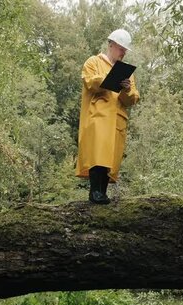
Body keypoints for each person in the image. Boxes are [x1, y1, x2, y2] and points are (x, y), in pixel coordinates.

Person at [75, 29, 140, 204]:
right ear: (111, 45)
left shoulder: (127, 72)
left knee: (111, 158)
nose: (124, 52)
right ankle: (95, 192)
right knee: (98, 154)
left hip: (117, 119)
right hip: (98, 116)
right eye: (121, 48)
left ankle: (102, 193)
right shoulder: (93, 62)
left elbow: (133, 98)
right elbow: (89, 82)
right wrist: (109, 78)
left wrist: (126, 89)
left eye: (125, 50)